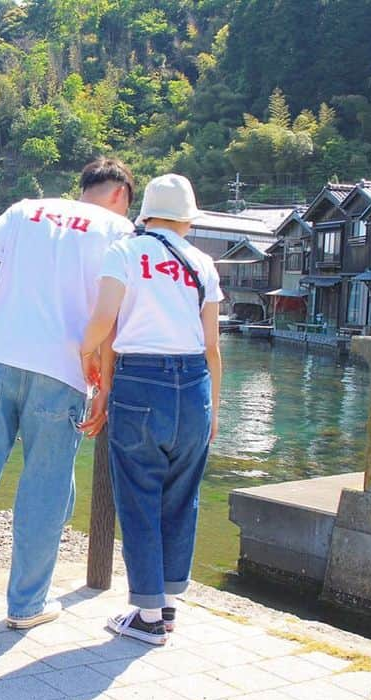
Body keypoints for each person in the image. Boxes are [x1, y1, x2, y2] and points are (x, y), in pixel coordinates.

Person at [0, 158, 137, 632]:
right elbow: (111, 316)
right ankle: (25, 606)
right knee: (44, 491)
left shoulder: (27, 210)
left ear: (85, 188)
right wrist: (106, 387)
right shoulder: (120, 231)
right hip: (63, 372)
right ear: (122, 195)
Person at [78, 173, 223, 645]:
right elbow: (213, 347)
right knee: (181, 498)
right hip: (195, 387)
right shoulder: (203, 263)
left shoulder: (125, 252)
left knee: (139, 497)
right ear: (188, 218)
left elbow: (104, 321)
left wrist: (86, 353)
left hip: (140, 382)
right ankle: (169, 605)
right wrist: (214, 410)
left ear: (147, 214)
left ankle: (145, 616)